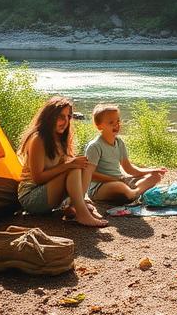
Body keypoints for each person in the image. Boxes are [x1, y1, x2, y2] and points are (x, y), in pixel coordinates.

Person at [16, 96, 108, 228]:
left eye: (68, 117)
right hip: (31, 197)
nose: (65, 121)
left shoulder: (61, 138)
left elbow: (71, 171)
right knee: (73, 167)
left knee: (81, 165)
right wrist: (69, 165)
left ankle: (74, 206)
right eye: (61, 116)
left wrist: (73, 164)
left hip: (50, 192)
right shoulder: (38, 139)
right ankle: (82, 214)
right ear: (49, 117)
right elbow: (37, 178)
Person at [85, 103, 167, 204]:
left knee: (155, 176)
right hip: (100, 187)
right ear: (99, 126)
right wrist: (113, 179)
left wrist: (151, 170)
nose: (116, 125)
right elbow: (90, 174)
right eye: (111, 122)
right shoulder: (95, 146)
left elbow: (129, 169)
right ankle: (134, 194)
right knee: (120, 187)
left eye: (118, 121)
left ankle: (131, 194)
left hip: (120, 180)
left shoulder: (119, 142)